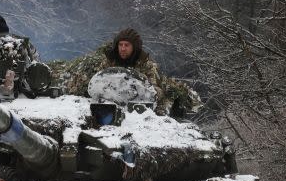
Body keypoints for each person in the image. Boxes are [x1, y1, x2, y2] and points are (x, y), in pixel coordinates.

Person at [54, 28, 198, 116]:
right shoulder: (109, 61)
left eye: (127, 45)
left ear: (134, 47)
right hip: (109, 104)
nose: (122, 49)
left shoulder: (147, 65)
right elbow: (99, 82)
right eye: (120, 45)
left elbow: (155, 91)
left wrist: (135, 90)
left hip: (136, 106)